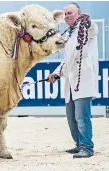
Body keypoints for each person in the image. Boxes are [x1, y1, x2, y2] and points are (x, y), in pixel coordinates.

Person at [47, 2, 99, 158]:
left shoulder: (85, 28)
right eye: (65, 14)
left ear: (79, 13)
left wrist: (87, 21)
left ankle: (87, 147)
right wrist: (56, 73)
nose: (67, 16)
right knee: (71, 118)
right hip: (71, 82)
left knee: (82, 117)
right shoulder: (69, 34)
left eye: (70, 13)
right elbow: (67, 61)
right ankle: (79, 144)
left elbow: (93, 28)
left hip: (83, 81)